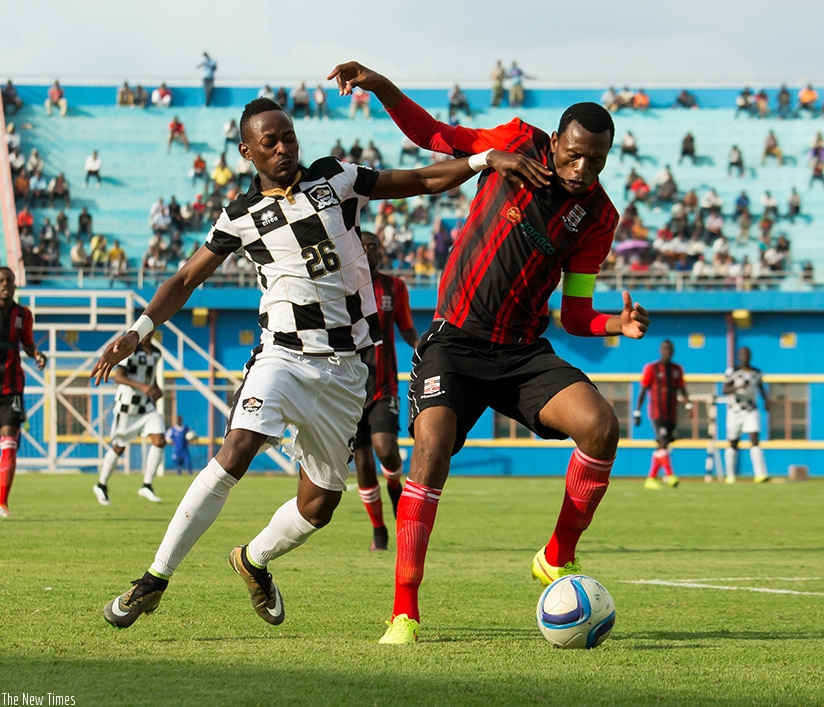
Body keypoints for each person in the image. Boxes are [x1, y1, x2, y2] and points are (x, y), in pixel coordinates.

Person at [91, 95, 543, 629]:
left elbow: (419, 180)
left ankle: (253, 560)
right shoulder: (239, 216)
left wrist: (481, 161)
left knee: (320, 504)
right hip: (283, 355)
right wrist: (138, 330)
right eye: (270, 142)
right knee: (236, 447)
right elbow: (186, 279)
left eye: (289, 137)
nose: (283, 148)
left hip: (349, 368)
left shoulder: (335, 178)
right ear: (247, 152)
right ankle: (154, 580)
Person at [328, 61, 650, 644]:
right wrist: (378, 85)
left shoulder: (598, 216)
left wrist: (614, 324)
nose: (583, 170)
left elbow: (576, 313)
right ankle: (405, 610)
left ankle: (557, 554)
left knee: (601, 427)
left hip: (523, 352)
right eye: (575, 155)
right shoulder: (515, 142)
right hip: (454, 341)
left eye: (596, 161)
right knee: (431, 449)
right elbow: (432, 135)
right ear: (554, 142)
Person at [355, 232, 420, 551]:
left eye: (374, 247)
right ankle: (379, 532)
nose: (369, 251)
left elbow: (407, 328)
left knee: (385, 449)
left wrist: (427, 349)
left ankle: (395, 485)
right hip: (350, 389)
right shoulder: (343, 285)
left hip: (384, 386)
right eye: (364, 246)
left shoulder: (394, 288)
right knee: (364, 466)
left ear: (381, 252)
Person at [93, 335, 166, 506]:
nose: (147, 334)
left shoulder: (156, 352)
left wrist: (155, 388)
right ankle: (101, 485)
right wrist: (142, 387)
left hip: (146, 406)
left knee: (160, 440)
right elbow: (118, 377)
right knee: (119, 446)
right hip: (127, 405)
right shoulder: (131, 351)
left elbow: (149, 375)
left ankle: (147, 485)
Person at [0, 268, 47, 516]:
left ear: (15, 285)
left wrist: (37, 354)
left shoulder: (23, 314)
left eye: (9, 280)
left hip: (11, 386)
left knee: (9, 441)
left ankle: (2, 503)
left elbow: (27, 342)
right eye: (1, 281)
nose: (5, 284)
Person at [634, 340, 692, 490]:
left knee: (664, 444)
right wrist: (637, 411)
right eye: (665, 348)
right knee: (664, 440)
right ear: (661, 350)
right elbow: (643, 390)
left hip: (671, 413)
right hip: (656, 411)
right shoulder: (652, 368)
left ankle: (651, 478)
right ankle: (670, 474)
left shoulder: (677, 369)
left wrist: (689, 405)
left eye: (670, 349)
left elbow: (682, 390)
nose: (668, 351)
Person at [722, 347, 770, 484]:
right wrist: (739, 387)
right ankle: (730, 475)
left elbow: (761, 388)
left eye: (747, 354)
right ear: (738, 356)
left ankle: (760, 474)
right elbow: (724, 389)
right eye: (742, 354)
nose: (745, 357)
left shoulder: (756, 372)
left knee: (754, 438)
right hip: (735, 410)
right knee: (733, 442)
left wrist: (766, 401)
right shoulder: (732, 372)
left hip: (751, 409)